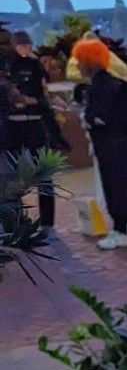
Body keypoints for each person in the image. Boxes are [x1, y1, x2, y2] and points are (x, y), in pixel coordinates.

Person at [70, 37, 127, 250]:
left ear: (88, 62)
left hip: (110, 147)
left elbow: (97, 117)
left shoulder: (99, 86)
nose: (78, 65)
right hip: (126, 143)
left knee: (116, 186)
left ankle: (120, 231)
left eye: (80, 61)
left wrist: (83, 116)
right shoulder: (113, 82)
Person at [3, 30, 59, 228]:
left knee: (43, 173)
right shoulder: (6, 66)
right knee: (10, 175)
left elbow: (43, 97)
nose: (25, 50)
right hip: (12, 127)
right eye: (21, 46)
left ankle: (47, 222)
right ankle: (15, 221)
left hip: (35, 124)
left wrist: (33, 101)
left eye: (28, 45)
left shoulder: (35, 66)